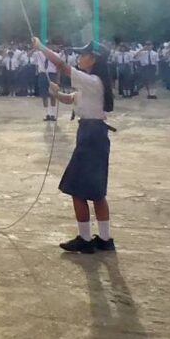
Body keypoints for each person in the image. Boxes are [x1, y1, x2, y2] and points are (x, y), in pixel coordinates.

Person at [33, 36, 116, 254]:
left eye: (83, 55)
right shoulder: (92, 83)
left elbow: (61, 66)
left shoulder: (92, 81)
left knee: (76, 189)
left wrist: (41, 47)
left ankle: (85, 239)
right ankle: (105, 239)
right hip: (95, 135)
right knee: (97, 192)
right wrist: (56, 93)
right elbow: (72, 99)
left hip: (90, 136)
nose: (79, 57)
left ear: (94, 59)